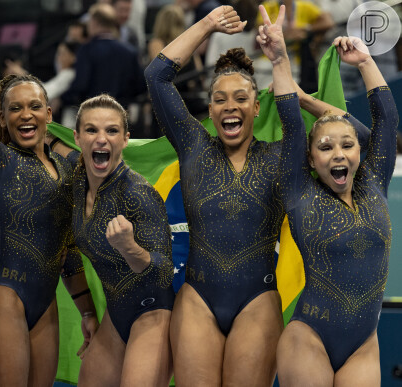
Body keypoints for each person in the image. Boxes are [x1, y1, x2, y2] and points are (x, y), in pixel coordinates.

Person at [258, 4, 398, 385]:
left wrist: (365, 62)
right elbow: (289, 117)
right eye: (325, 147)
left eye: (347, 145)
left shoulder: (375, 181)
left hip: (363, 343)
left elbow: (386, 119)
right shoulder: (299, 189)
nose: (338, 154)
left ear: (359, 151)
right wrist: (280, 58)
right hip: (309, 337)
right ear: (310, 157)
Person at [145, 5, 284, 386]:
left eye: (240, 98)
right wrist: (207, 25)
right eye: (220, 100)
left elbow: (360, 138)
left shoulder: (279, 156)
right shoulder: (194, 147)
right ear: (209, 110)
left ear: (256, 108)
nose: (230, 107)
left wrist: (283, 61)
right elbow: (157, 77)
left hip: (259, 299)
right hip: (197, 299)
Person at [0, 19, 98, 386]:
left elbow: (68, 250)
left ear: (48, 114)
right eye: (16, 108)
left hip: (46, 303)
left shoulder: (67, 171)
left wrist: (87, 313)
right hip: (2, 297)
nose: (26, 115)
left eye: (35, 106)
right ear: (4, 120)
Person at [62, 93, 174, 385]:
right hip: (116, 314)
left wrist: (130, 248)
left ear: (125, 139)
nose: (101, 139)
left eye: (111, 130)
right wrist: (87, 311)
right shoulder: (77, 180)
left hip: (154, 313)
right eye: (91, 130)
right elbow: (56, 146)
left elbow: (162, 273)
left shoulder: (138, 193)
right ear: (77, 137)